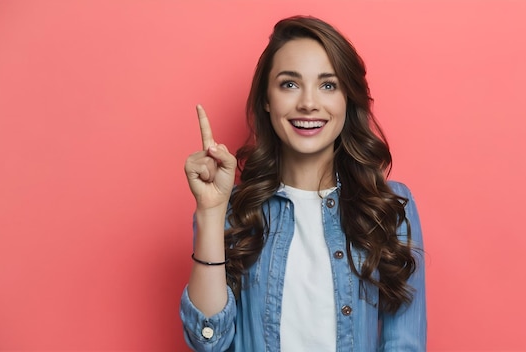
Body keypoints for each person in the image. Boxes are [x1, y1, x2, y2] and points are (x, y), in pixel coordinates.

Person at [180, 15, 426, 351]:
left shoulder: (390, 207)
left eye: (328, 85)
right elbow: (207, 341)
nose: (309, 103)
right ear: (267, 99)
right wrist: (210, 213)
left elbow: (405, 344)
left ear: (347, 99)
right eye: (289, 84)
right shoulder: (233, 211)